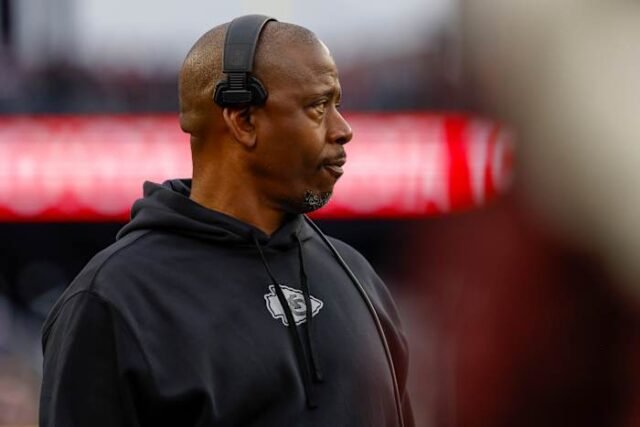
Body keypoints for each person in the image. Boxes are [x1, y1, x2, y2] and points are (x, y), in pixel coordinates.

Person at [39, 16, 413, 427]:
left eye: (337, 106)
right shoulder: (114, 299)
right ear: (243, 119)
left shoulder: (358, 276)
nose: (343, 130)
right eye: (318, 107)